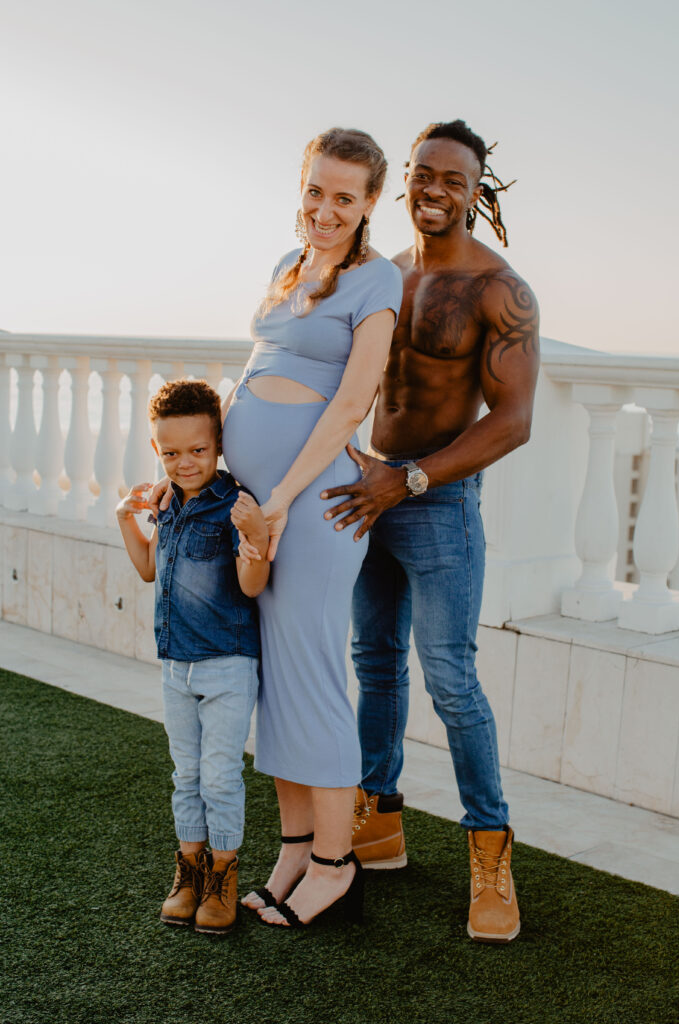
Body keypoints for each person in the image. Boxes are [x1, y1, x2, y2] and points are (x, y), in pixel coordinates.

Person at [321, 119, 540, 943]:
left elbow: (512, 421)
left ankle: (489, 854)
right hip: (368, 490)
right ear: (403, 181)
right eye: (422, 174)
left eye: (452, 179)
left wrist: (408, 479)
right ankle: (378, 819)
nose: (433, 190)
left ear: (476, 192)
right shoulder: (383, 274)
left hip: (435, 500)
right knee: (374, 662)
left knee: (450, 679)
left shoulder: (499, 290)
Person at [223, 127, 403, 928]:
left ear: (368, 203)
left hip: (313, 505)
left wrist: (283, 496)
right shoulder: (286, 265)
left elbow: (353, 400)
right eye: (315, 191)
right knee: (276, 682)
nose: (324, 210)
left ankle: (336, 863)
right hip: (261, 503)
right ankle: (296, 848)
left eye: (343, 198)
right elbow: (259, 370)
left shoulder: (377, 281)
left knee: (315, 681)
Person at [116, 379, 270, 936]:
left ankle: (222, 875)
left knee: (220, 777)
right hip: (175, 665)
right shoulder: (168, 505)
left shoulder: (234, 504)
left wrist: (255, 539)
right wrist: (124, 518)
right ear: (156, 450)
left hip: (227, 663)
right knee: (186, 774)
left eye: (198, 450)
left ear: (219, 444)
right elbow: (148, 570)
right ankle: (189, 871)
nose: (184, 463)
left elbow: (251, 586)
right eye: (171, 453)